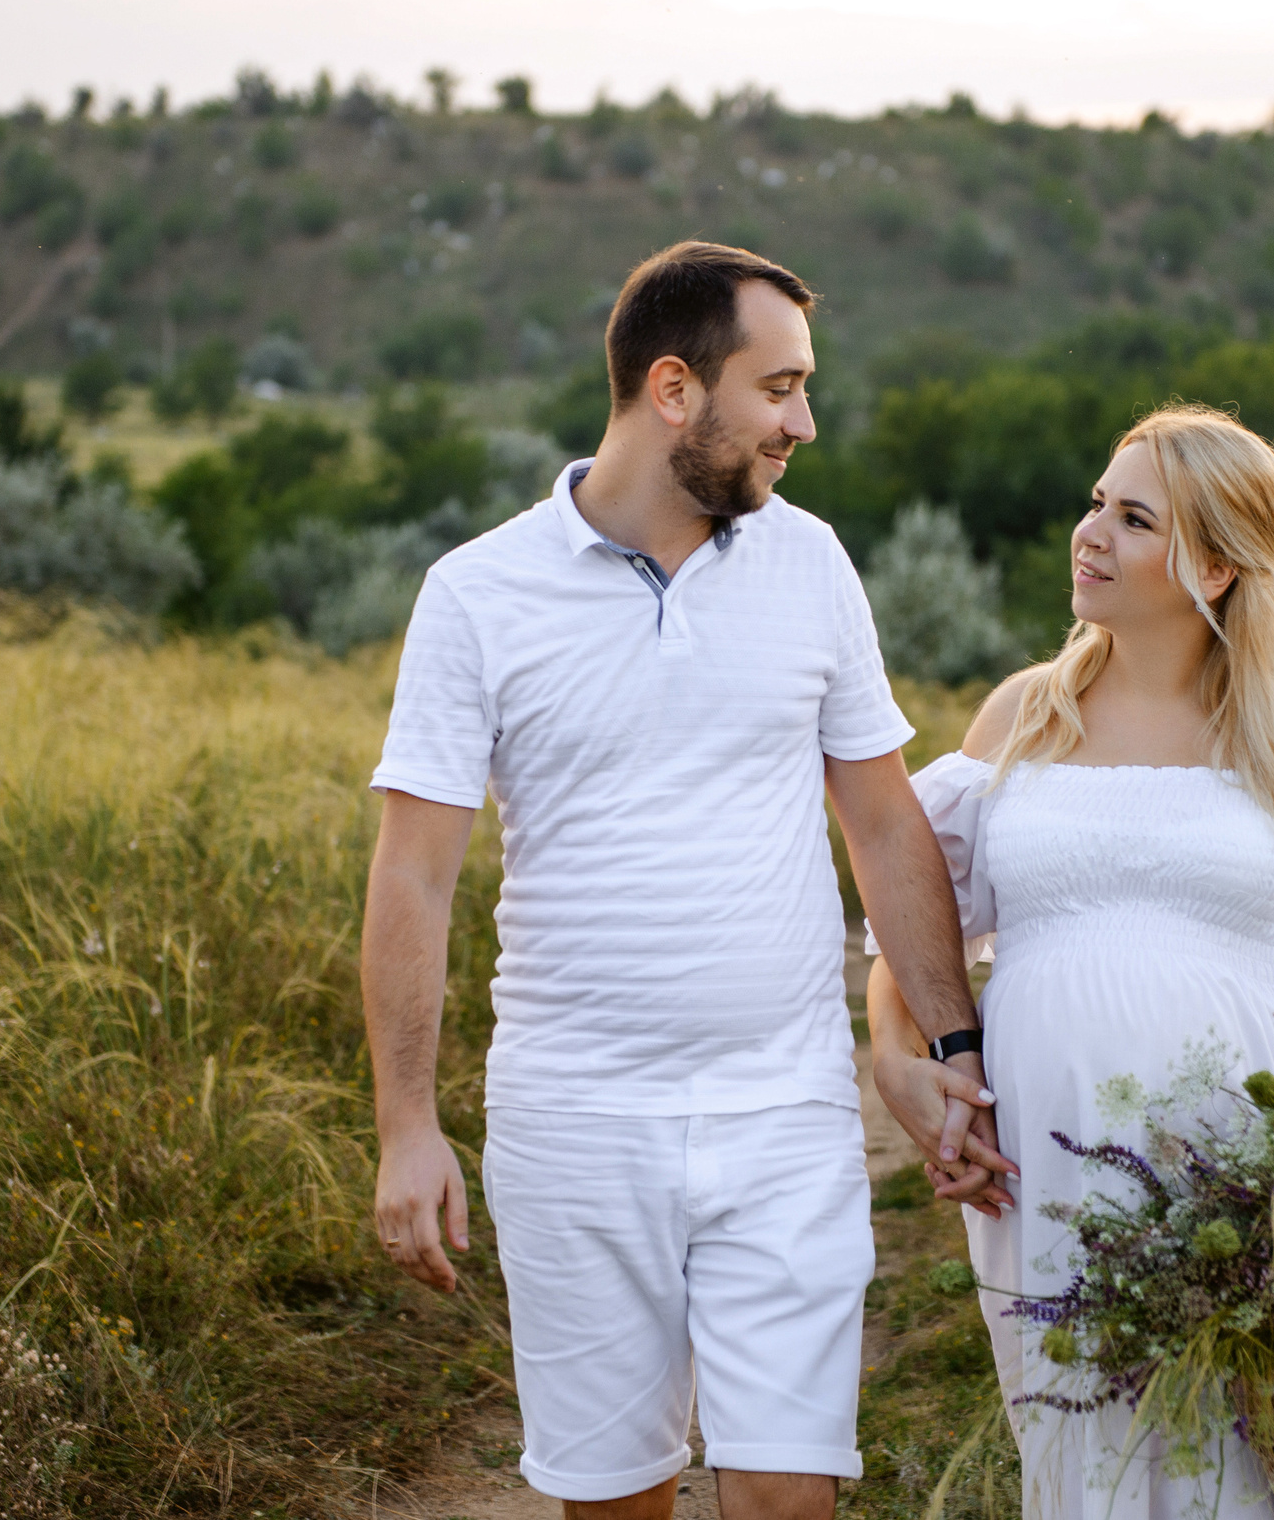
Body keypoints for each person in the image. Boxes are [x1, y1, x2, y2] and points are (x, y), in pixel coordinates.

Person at [361, 241, 1014, 1520]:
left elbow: (883, 823)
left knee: (788, 1496)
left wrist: (953, 1042)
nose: (802, 423)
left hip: (785, 1111)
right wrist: (407, 1125)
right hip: (572, 1123)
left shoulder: (810, 562)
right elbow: (414, 875)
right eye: (778, 388)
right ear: (673, 389)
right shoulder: (477, 594)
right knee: (616, 1499)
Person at [864, 403, 1274, 1519]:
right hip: (1043, 1162)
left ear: (1218, 566)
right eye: (1098, 502)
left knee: (1235, 1464)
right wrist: (898, 1053)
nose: (1090, 532)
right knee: (1080, 1453)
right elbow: (914, 923)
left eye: (1135, 519)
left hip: (1236, 1167)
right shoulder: (1022, 716)